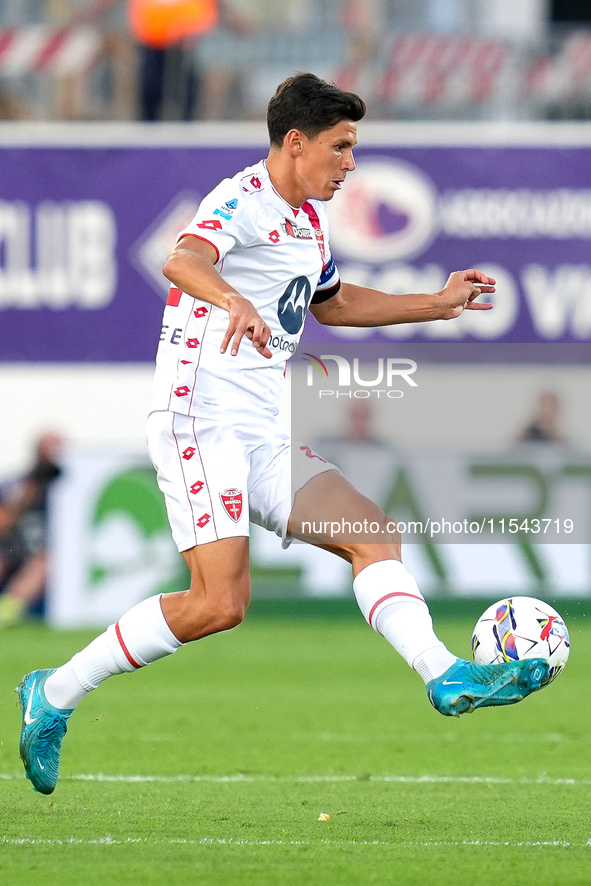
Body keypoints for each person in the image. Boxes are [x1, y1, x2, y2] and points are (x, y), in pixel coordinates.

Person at [16, 73, 549, 796]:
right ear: (296, 143)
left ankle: (443, 675)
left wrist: (436, 301)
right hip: (198, 421)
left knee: (372, 531)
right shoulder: (239, 198)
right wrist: (230, 297)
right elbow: (182, 258)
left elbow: (332, 303)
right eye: (341, 146)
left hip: (261, 429)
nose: (350, 163)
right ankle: (53, 693)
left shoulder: (305, 222)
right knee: (218, 605)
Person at [0, 433, 63, 628]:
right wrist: (27, 496)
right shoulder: (19, 484)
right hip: (14, 548)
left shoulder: (69, 490)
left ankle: (8, 610)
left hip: (44, 554)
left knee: (43, 563)